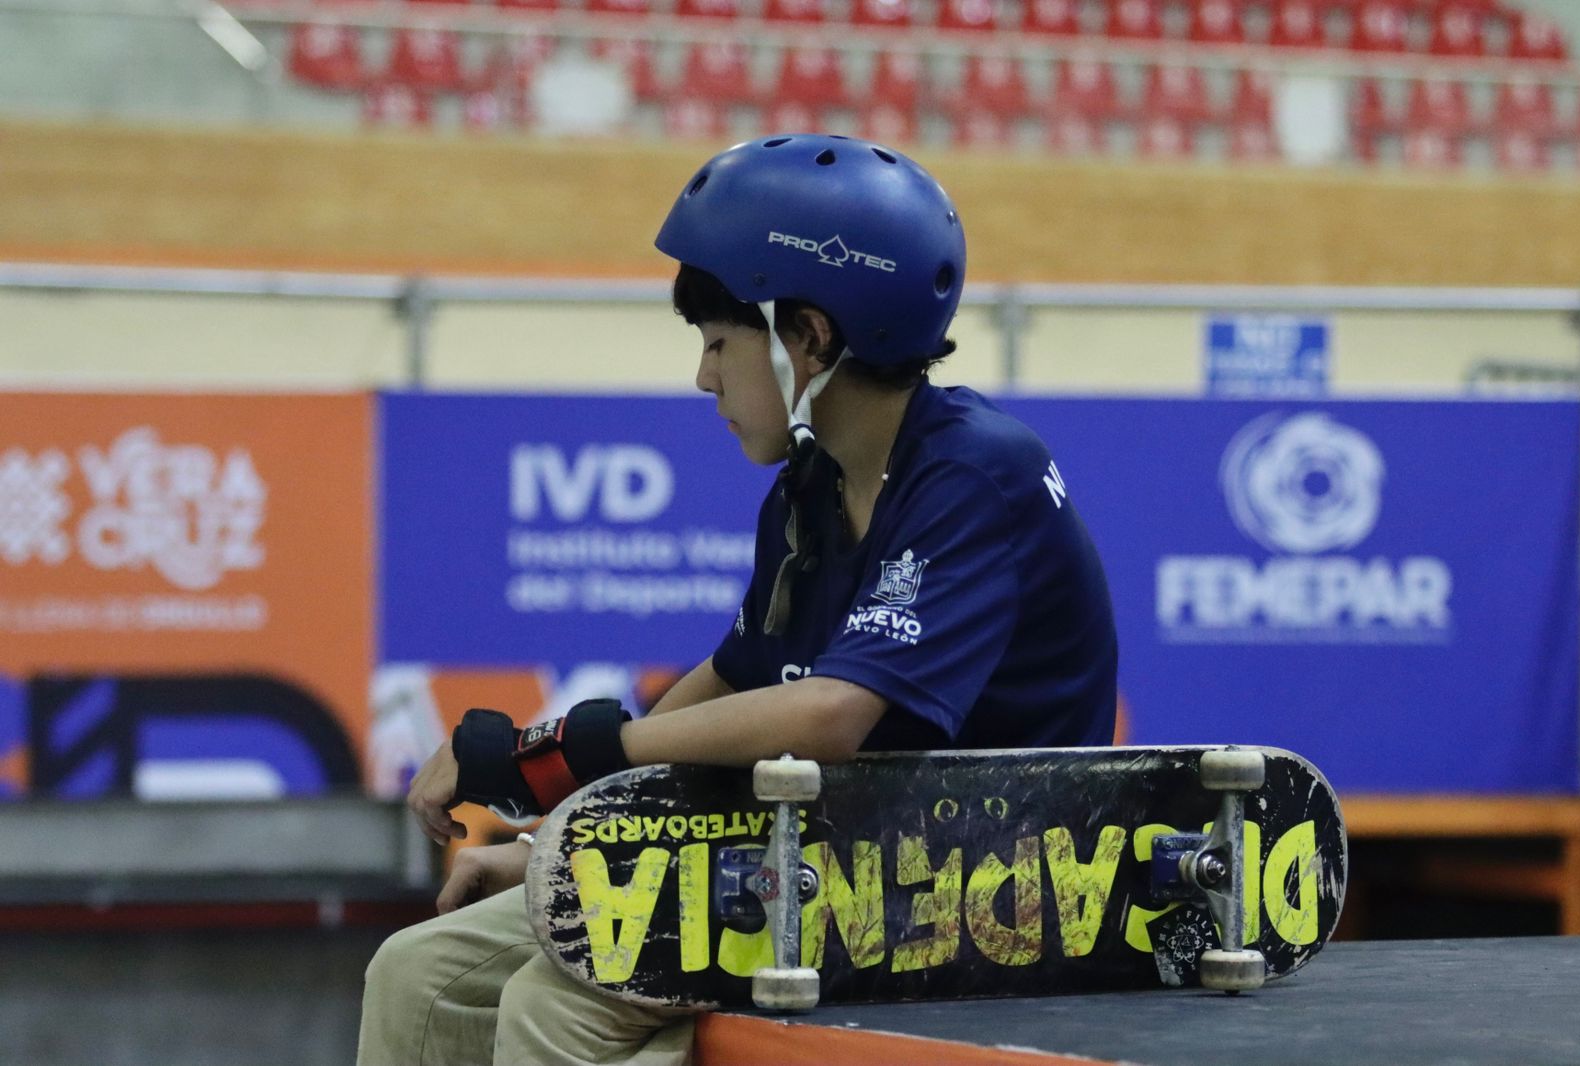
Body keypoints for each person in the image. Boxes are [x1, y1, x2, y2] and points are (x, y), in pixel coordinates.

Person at [357, 133, 1118, 1066]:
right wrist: (570, 831)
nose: (704, 376)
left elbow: (834, 713)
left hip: (986, 888)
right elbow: (733, 677)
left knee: (553, 1009)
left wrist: (550, 756)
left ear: (810, 336)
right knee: (415, 973)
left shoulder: (977, 473)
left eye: (721, 342)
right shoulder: (810, 488)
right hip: (833, 865)